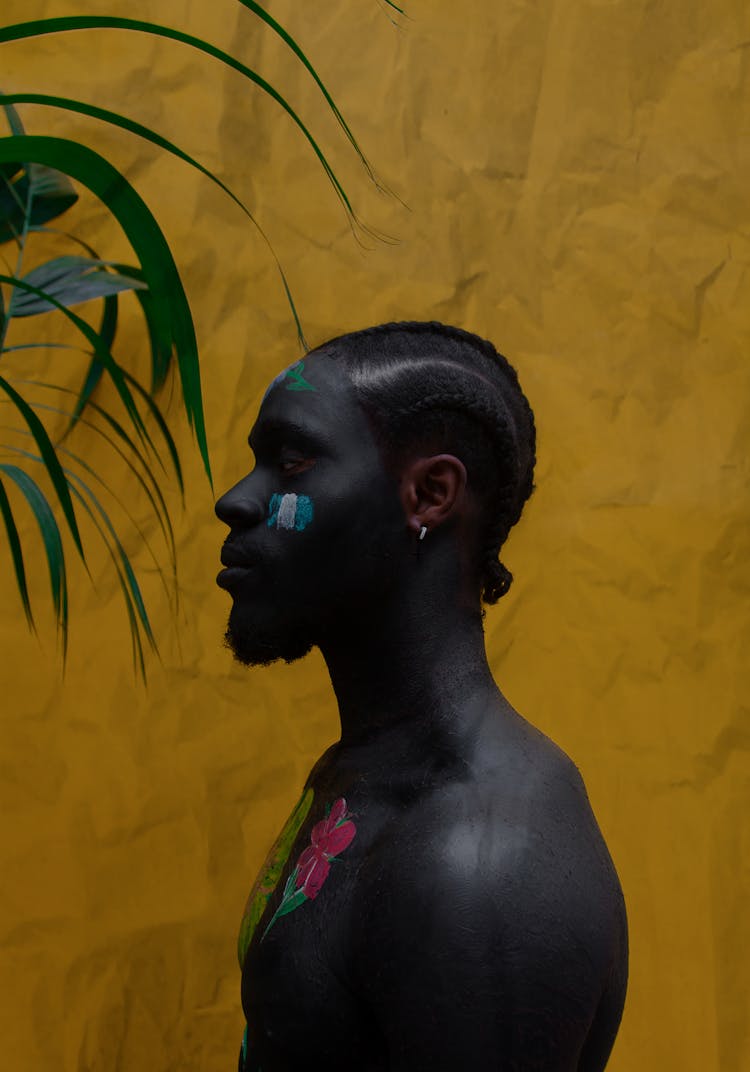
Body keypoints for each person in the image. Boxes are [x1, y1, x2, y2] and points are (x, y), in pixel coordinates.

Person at [215, 322, 628, 1072]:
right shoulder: (363, 770)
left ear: (431, 494)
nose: (236, 501)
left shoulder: (478, 862)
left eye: (291, 461)